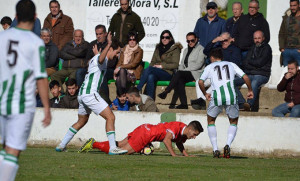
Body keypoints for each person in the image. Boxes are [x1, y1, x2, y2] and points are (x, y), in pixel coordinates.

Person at [0, 0, 51, 180]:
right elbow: (41, 77)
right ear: (35, 18)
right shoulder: (35, 42)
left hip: (1, 101)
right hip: (21, 103)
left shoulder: (2, 37)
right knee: (13, 151)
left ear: (15, 17)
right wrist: (46, 107)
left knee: (6, 148)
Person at [55, 33, 128, 155]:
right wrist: (109, 43)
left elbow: (97, 61)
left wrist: (98, 54)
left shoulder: (99, 58)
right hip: (90, 94)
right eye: (117, 52)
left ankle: (61, 145)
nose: (117, 55)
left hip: (82, 95)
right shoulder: (102, 58)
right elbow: (100, 59)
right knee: (110, 117)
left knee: (81, 121)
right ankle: (112, 148)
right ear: (110, 49)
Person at [199, 48, 253, 158]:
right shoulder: (231, 64)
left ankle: (215, 149)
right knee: (233, 121)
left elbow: (200, 82)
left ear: (212, 58)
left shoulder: (210, 66)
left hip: (217, 96)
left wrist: (205, 93)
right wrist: (250, 90)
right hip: (231, 96)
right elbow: (245, 77)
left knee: (211, 120)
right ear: (222, 57)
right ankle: (228, 144)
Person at [79, 121, 204, 157]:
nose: (194, 137)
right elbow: (167, 140)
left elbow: (179, 143)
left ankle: (93, 143)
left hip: (144, 127)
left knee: (120, 144)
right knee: (121, 151)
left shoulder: (183, 132)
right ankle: (94, 144)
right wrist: (173, 155)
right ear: (190, 128)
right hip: (145, 135)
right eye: (194, 134)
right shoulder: (177, 128)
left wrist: (186, 155)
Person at [157, 32, 206, 109]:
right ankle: (184, 104)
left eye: (192, 40)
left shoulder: (201, 49)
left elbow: (198, 64)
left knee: (179, 74)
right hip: (186, 73)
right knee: (179, 80)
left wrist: (183, 71)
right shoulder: (186, 50)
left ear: (196, 39)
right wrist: (182, 70)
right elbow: (182, 63)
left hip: (196, 73)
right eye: (188, 41)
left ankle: (166, 91)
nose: (190, 43)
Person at [137, 30, 182, 99]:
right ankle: (150, 101)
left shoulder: (175, 49)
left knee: (149, 69)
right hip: (156, 72)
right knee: (150, 77)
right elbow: (152, 62)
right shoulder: (158, 48)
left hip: (168, 73)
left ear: (170, 38)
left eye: (167, 37)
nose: (164, 39)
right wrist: (154, 67)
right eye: (162, 37)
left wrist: (161, 66)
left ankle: (138, 89)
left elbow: (175, 65)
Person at [235, 30, 272, 111]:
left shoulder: (267, 48)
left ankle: (249, 104)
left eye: (259, 38)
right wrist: (253, 65)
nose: (257, 40)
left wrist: (251, 63)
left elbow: (260, 62)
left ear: (263, 38)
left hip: (262, 74)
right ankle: (241, 103)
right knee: (231, 82)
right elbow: (245, 62)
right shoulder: (252, 47)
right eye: (255, 38)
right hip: (250, 73)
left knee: (254, 82)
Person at [279, 0, 300, 67]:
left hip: (298, 50)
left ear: (299, 5)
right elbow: (281, 33)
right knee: (287, 73)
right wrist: (282, 48)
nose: (292, 7)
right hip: (286, 50)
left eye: (294, 5)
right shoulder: (287, 17)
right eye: (291, 5)